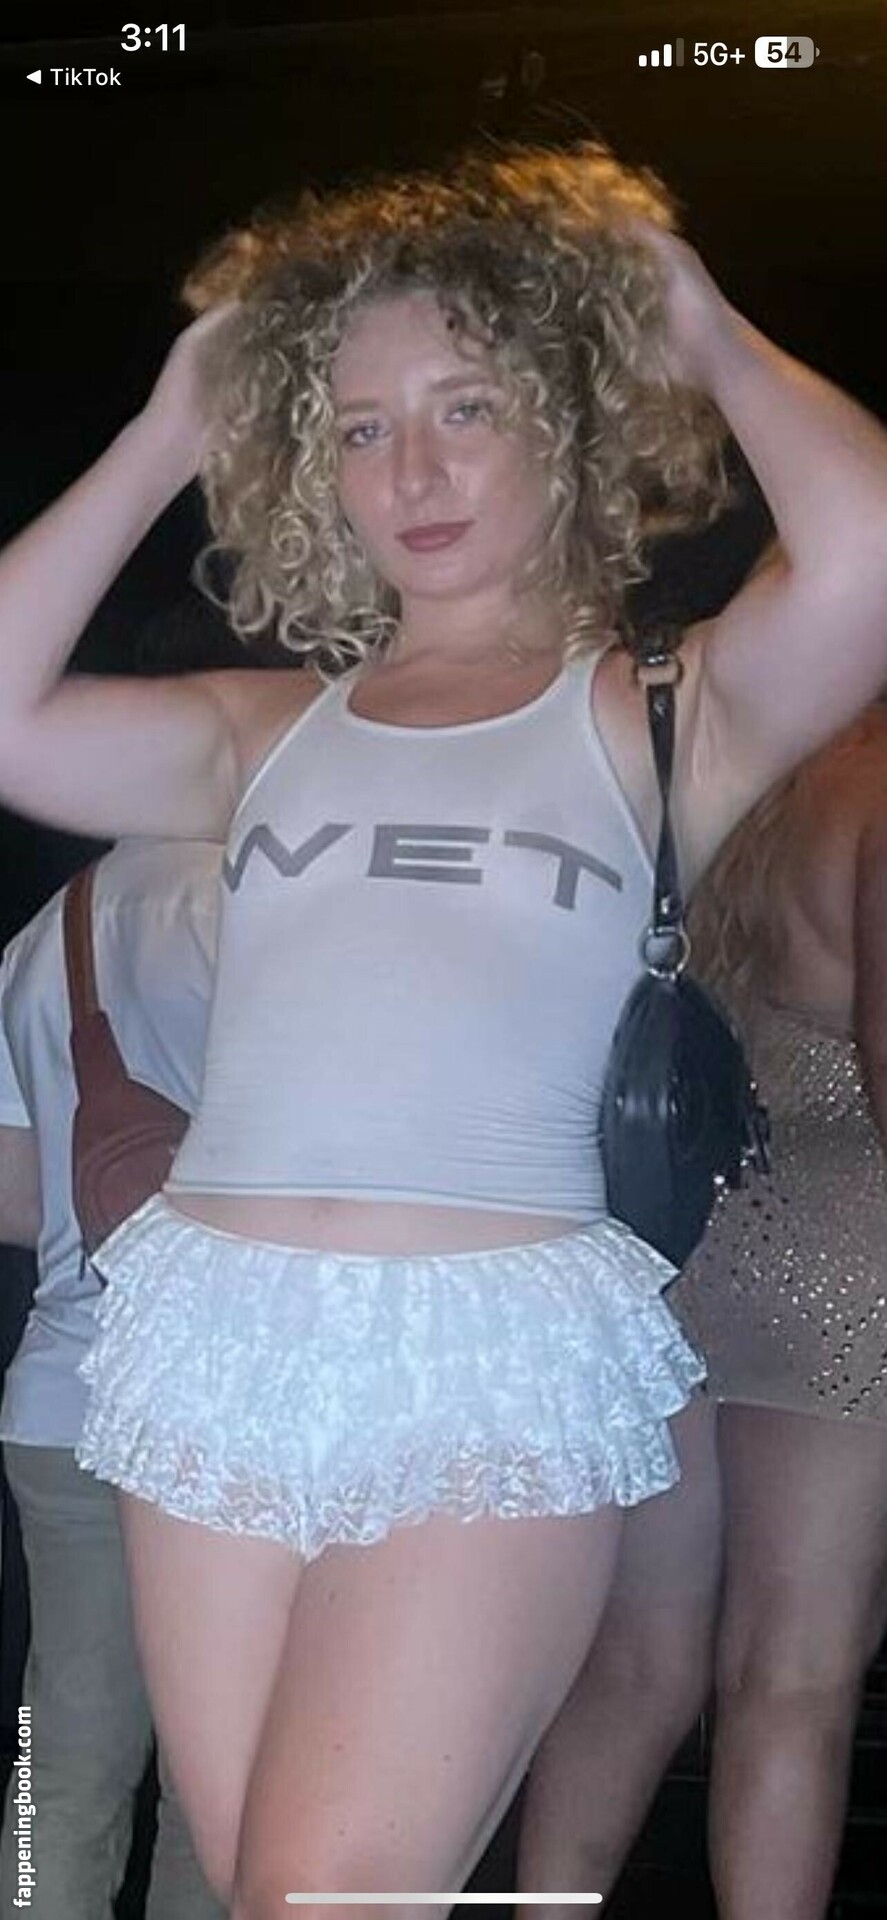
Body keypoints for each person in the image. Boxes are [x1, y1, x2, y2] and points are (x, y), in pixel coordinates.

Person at [1, 141, 887, 1920]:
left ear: (566, 421)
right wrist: (170, 424)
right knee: (257, 1884)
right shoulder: (265, 730)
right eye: (357, 426)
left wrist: (697, 319)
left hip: (490, 1353)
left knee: (321, 1892)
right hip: (214, 1333)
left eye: (463, 407)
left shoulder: (661, 715)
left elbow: (865, 550)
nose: (408, 470)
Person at [515, 706, 887, 1920]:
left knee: (632, 1659)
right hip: (847, 1262)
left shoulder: (748, 779)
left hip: (684, 1244)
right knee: (792, 1675)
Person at [0, 838, 225, 1920]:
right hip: (223, 1410)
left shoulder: (50, 934)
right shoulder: (261, 905)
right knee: (213, 1780)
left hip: (64, 1394)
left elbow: (14, 1200)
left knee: (59, 1762)